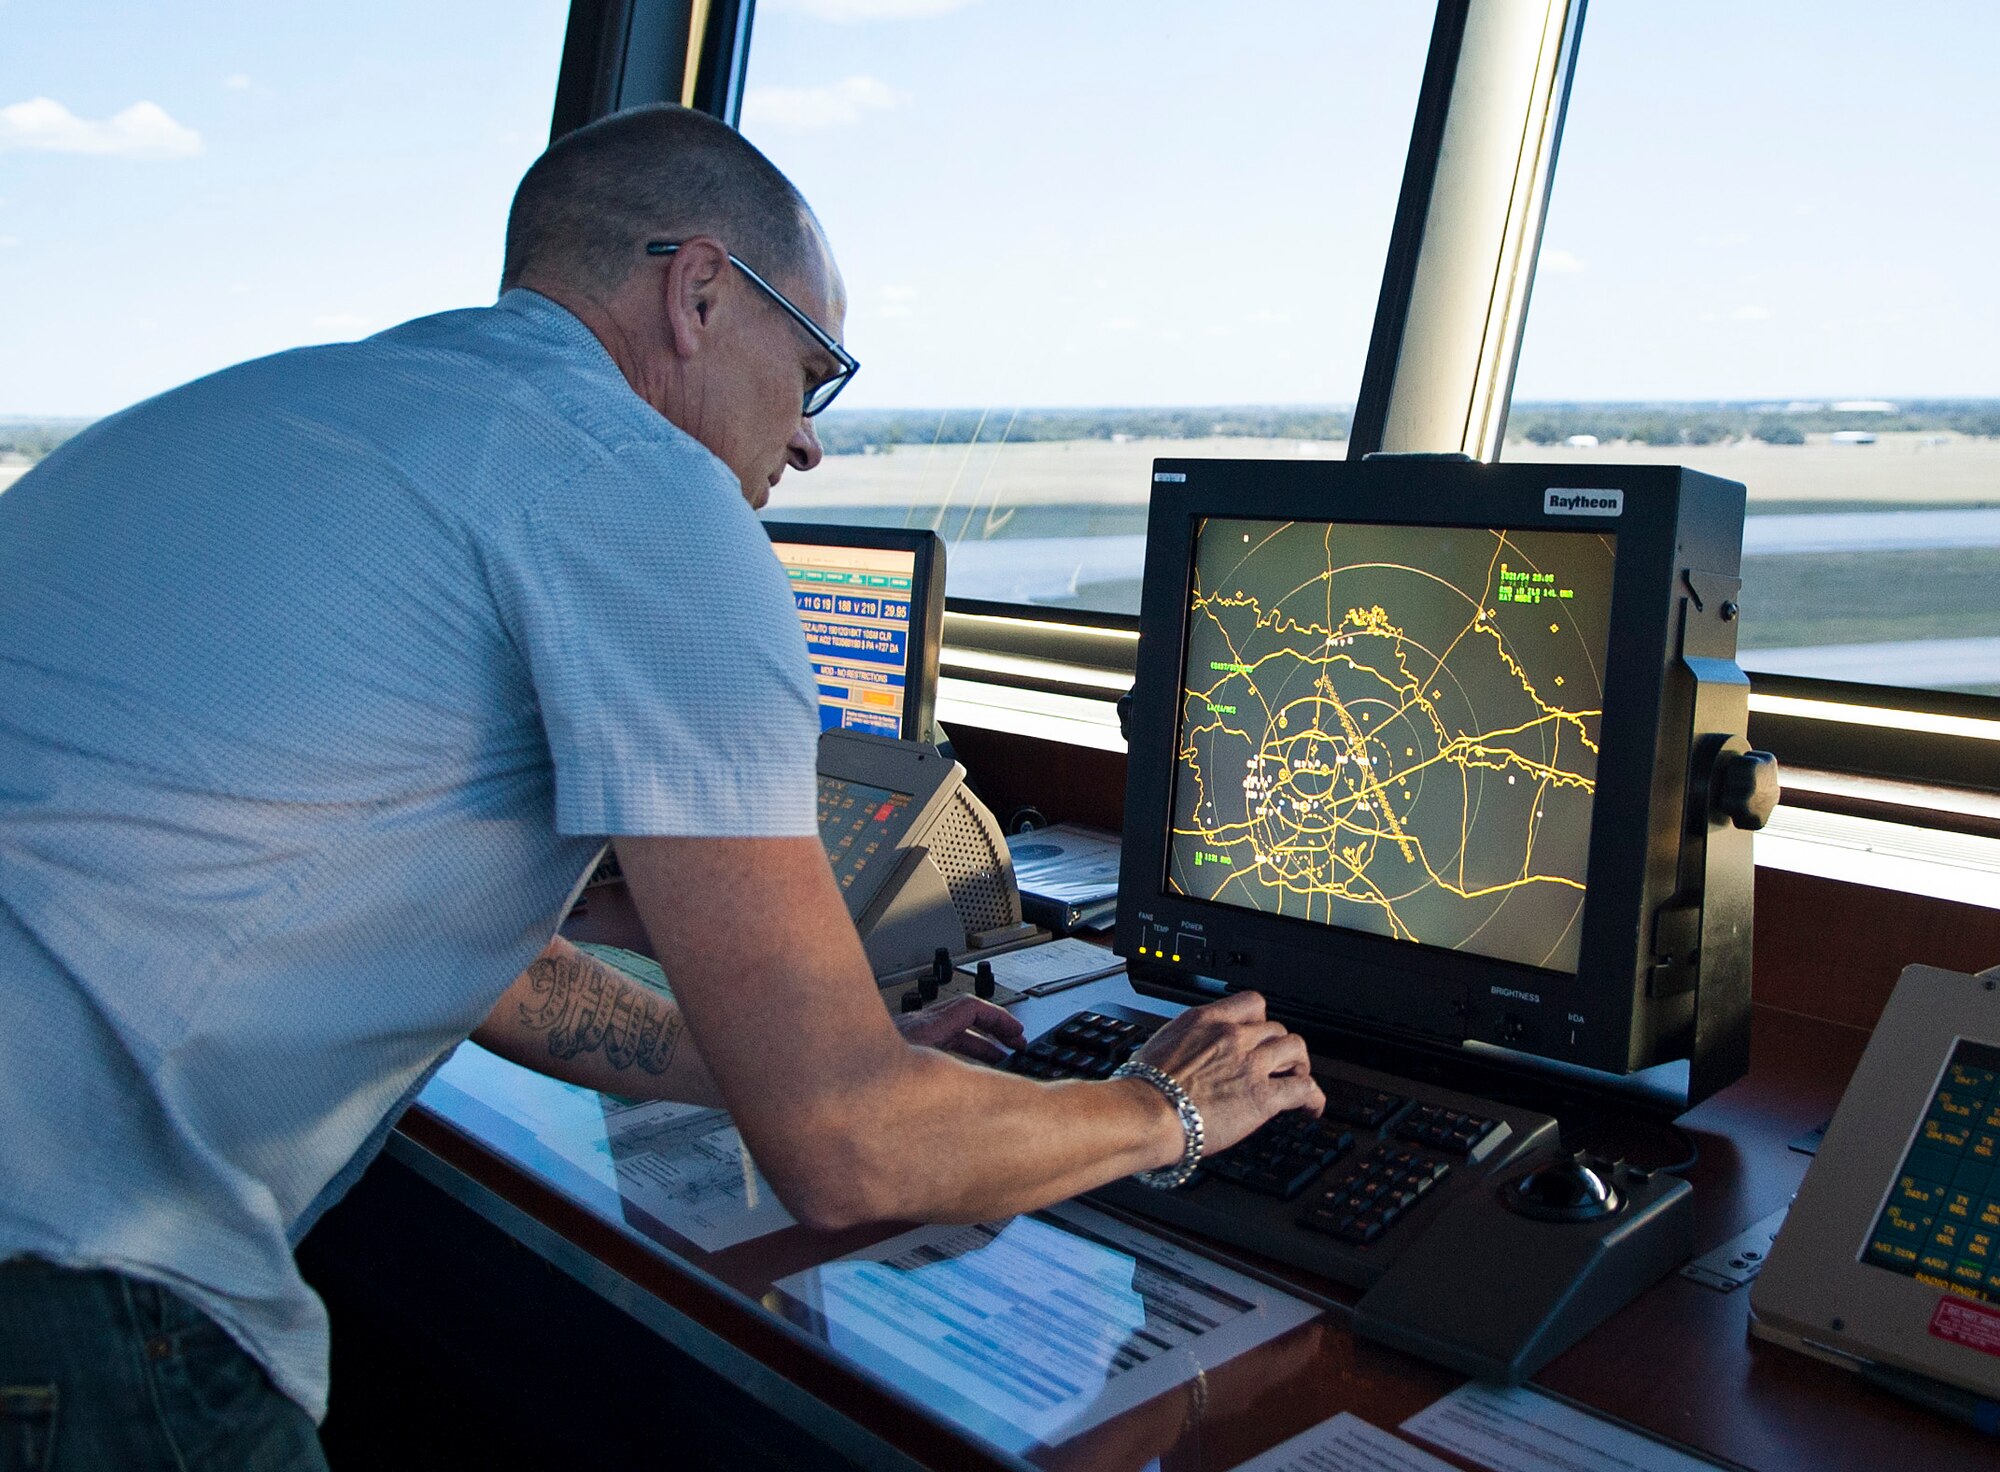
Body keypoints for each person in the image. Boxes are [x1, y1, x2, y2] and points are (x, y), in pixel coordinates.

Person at [0, 104, 1323, 1468]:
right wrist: (1169, 1110)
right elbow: (847, 1154)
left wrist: (762, 1064)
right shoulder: (638, 492)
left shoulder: (297, 403)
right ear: (698, 291)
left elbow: (497, 968)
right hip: (61, 1276)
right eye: (813, 372)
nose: (809, 443)